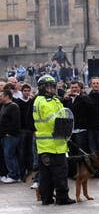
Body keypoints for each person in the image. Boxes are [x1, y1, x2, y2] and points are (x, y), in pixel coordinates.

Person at [32, 75, 75, 205]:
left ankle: (47, 198)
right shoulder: (44, 102)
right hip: (54, 143)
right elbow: (55, 121)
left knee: (46, 174)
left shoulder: (51, 100)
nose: (52, 89)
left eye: (53, 86)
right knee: (59, 173)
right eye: (49, 87)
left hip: (47, 144)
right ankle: (62, 197)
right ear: (42, 88)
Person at [0, 88, 22, 183]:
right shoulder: (4, 106)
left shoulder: (13, 106)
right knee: (8, 155)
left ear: (7, 96)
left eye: (1, 96)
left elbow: (15, 122)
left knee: (10, 155)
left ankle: (14, 175)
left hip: (11, 136)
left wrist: (8, 133)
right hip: (5, 135)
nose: (0, 97)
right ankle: (13, 174)